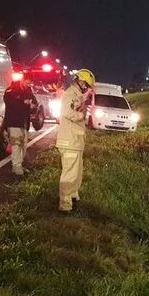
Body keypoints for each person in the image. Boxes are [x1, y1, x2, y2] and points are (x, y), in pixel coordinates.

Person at [56, 68, 95, 212]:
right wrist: (82, 117)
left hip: (75, 142)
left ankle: (72, 196)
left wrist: (85, 97)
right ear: (81, 82)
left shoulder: (76, 95)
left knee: (76, 173)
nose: (87, 88)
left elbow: (78, 104)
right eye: (87, 85)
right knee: (70, 174)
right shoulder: (69, 94)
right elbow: (67, 112)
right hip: (69, 142)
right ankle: (65, 205)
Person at [3, 70, 38, 175]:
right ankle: (16, 166)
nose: (28, 85)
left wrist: (32, 105)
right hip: (13, 122)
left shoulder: (28, 90)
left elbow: (34, 102)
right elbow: (10, 104)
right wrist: (25, 103)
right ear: (22, 79)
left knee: (23, 145)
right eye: (27, 82)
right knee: (16, 144)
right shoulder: (11, 90)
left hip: (24, 123)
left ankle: (19, 165)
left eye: (30, 83)